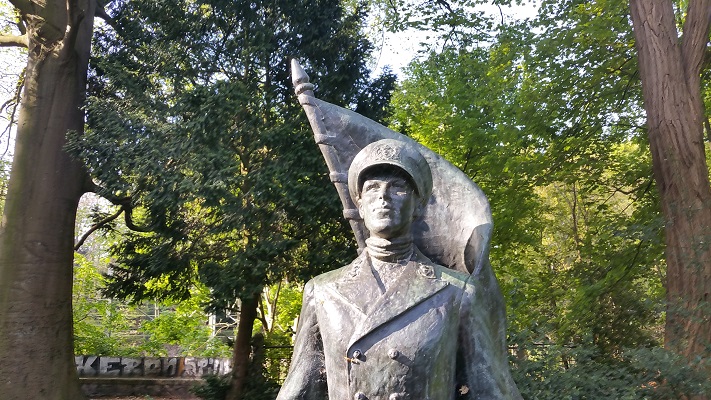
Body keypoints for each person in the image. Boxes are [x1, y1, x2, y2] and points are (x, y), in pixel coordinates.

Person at [276, 139, 521, 400]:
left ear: (419, 205)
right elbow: (301, 387)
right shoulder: (323, 292)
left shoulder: (456, 293)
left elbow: (490, 390)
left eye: (398, 187)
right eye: (371, 188)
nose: (383, 196)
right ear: (359, 206)